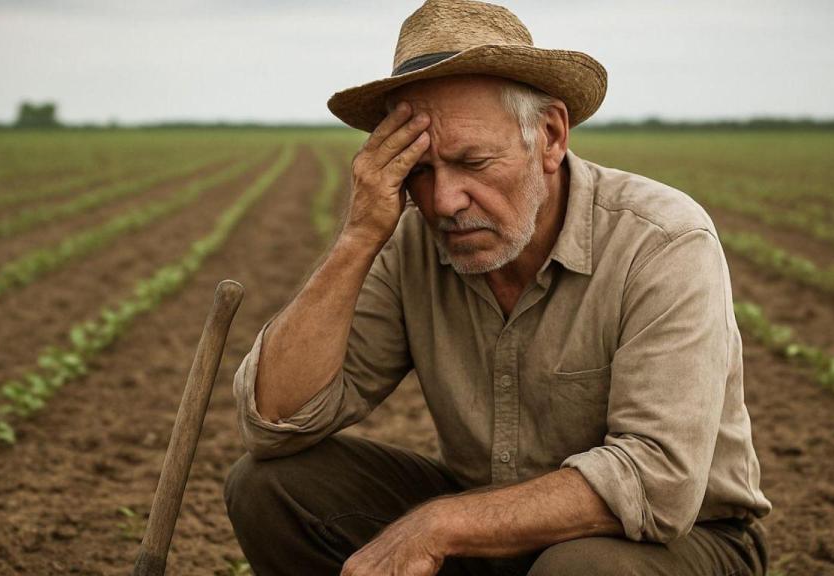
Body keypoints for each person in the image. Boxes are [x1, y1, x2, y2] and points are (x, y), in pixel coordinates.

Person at [224, 1, 772, 574]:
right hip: (492, 528)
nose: (444, 202)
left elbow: (658, 479)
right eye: (419, 170)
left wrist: (438, 526)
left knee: (579, 569)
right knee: (271, 489)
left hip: (673, 543)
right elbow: (277, 423)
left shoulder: (661, 242)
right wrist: (359, 237)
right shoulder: (411, 244)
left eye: (474, 162)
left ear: (551, 136)